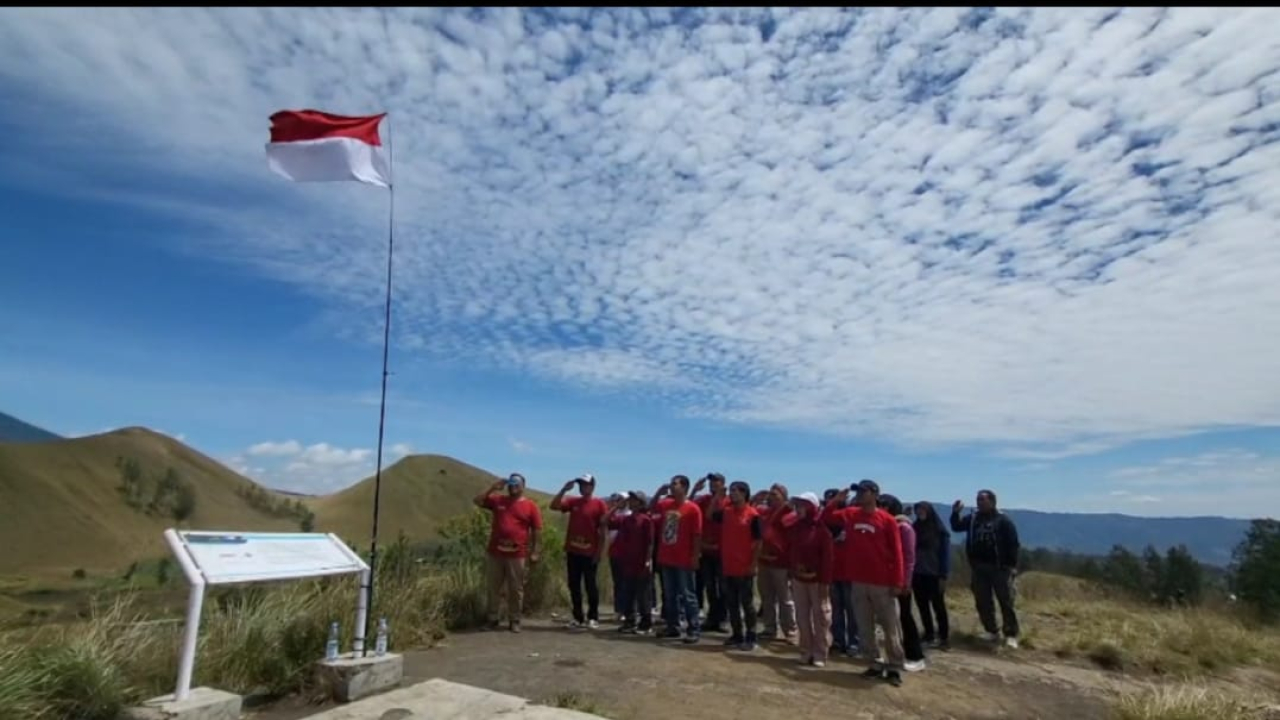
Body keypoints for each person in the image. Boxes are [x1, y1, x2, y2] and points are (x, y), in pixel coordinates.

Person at [827, 479, 906, 687]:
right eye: (858, 491)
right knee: (864, 627)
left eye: (864, 491)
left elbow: (898, 553)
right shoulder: (851, 514)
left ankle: (895, 666)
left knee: (890, 627)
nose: (860, 494)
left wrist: (898, 580)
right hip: (858, 581)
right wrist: (836, 501)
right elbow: (826, 518)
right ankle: (874, 663)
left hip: (882, 582)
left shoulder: (887, 520)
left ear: (875, 494)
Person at [951, 490, 1021, 648]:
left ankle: (1010, 634)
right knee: (982, 601)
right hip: (979, 567)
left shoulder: (1003, 520)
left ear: (992, 501)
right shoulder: (973, 519)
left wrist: (1011, 566)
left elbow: (1013, 544)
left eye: (983, 499)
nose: (980, 502)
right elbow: (956, 527)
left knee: (1006, 601)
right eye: (978, 500)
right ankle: (991, 631)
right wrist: (955, 513)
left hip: (1000, 568)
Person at [473, 472, 543, 633]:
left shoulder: (530, 506)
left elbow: (537, 531)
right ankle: (493, 618)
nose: (513, 487)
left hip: (517, 554)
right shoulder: (498, 500)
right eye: (511, 484)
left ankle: (515, 619)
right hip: (495, 553)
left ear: (523, 486)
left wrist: (535, 552)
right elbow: (477, 501)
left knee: (515, 588)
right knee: (493, 587)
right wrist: (492, 488)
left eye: (517, 484)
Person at [550, 473, 609, 630]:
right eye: (581, 485)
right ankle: (578, 617)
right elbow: (554, 506)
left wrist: (599, 552)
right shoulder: (573, 501)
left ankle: (593, 616)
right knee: (574, 585)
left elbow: (603, 531)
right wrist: (564, 489)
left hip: (590, 552)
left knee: (590, 585)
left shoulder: (599, 504)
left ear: (592, 486)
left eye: (586, 484)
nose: (583, 487)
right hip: (573, 550)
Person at [651, 475, 704, 643]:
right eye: (672, 484)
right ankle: (672, 627)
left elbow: (697, 535)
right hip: (667, 557)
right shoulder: (666, 505)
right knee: (669, 595)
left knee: (688, 594)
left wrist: (695, 556)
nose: (672, 486)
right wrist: (659, 492)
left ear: (684, 488)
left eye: (676, 484)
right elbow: (650, 507)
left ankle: (693, 628)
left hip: (683, 559)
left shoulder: (693, 509)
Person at [879, 494, 925, 672]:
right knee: (892, 620)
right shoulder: (884, 525)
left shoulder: (904, 527)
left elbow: (909, 558)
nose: (880, 507)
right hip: (884, 579)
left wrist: (906, 582)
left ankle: (916, 655)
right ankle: (896, 654)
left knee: (905, 617)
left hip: (900, 580)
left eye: (884, 505)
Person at [788, 492, 834, 667]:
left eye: (802, 505)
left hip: (817, 580)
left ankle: (820, 653)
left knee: (820, 617)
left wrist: (824, 582)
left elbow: (827, 559)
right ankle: (805, 650)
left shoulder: (822, 530)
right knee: (802, 616)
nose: (798, 509)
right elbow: (792, 550)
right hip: (799, 578)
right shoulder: (796, 527)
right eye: (797, 505)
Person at [718, 480, 763, 650]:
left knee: (747, 603)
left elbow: (759, 542)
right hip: (728, 566)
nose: (732, 493)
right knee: (732, 603)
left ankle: (751, 636)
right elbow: (710, 515)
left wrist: (753, 564)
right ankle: (737, 634)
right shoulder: (727, 512)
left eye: (735, 491)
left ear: (744, 493)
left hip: (744, 567)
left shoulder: (753, 515)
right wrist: (718, 496)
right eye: (731, 490)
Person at [610, 490, 655, 635]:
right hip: (627, 561)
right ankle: (629, 621)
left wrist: (648, 560)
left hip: (641, 561)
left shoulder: (646, 520)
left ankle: (646, 623)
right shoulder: (627, 520)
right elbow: (607, 521)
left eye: (635, 500)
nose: (631, 502)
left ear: (641, 503)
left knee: (643, 594)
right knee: (627, 592)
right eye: (631, 500)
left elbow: (650, 542)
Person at [757, 483, 798, 643]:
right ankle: (769, 628)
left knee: (785, 600)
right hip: (764, 561)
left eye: (775, 494)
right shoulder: (764, 512)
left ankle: (790, 631)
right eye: (770, 494)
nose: (771, 497)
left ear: (783, 496)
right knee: (767, 598)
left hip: (781, 563)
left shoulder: (789, 514)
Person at [692, 472, 729, 633]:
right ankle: (712, 618)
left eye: (716, 481)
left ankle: (722, 618)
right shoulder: (703, 500)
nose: (713, 484)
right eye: (711, 482)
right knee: (710, 587)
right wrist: (694, 489)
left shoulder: (728, 502)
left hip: (722, 551)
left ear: (723, 483)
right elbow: (689, 505)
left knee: (724, 587)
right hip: (706, 550)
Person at [823, 487, 858, 657]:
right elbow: (826, 515)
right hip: (833, 570)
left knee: (852, 610)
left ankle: (854, 642)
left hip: (850, 570)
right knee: (836, 609)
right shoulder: (827, 520)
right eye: (829, 500)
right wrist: (835, 501)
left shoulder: (850, 514)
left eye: (836, 500)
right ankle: (838, 640)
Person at [912, 501, 951, 650]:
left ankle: (944, 637)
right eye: (918, 510)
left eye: (922, 509)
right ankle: (928, 634)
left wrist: (943, 575)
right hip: (918, 573)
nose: (920, 512)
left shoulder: (940, 531)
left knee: (938, 606)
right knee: (922, 606)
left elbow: (945, 555)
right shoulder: (915, 528)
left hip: (934, 574)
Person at [605, 493, 629, 622]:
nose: (619, 502)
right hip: (614, 552)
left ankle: (628, 610)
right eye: (617, 500)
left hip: (628, 554)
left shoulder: (630, 515)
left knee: (627, 583)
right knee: (618, 583)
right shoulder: (614, 515)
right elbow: (605, 520)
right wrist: (613, 507)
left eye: (622, 500)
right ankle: (619, 610)